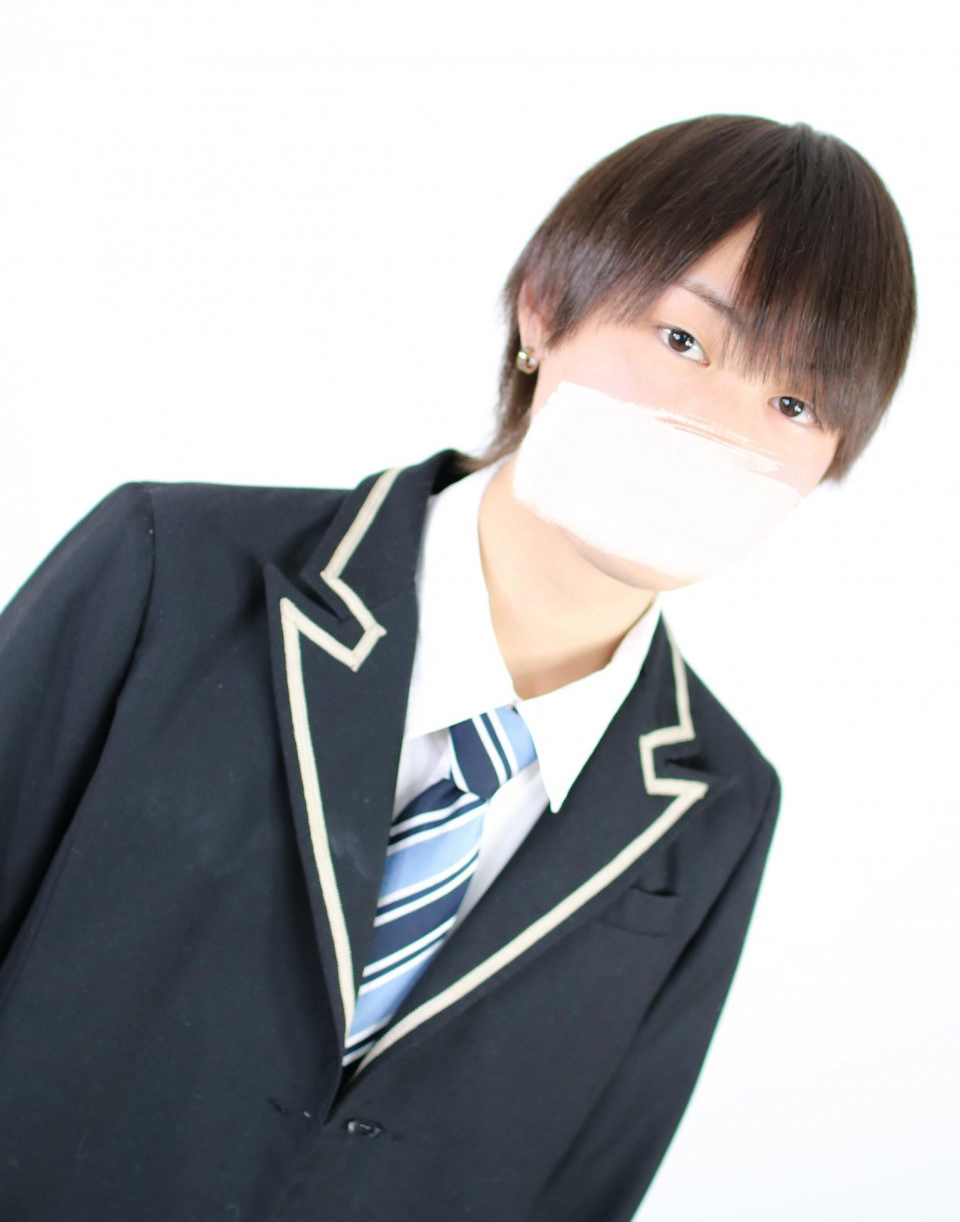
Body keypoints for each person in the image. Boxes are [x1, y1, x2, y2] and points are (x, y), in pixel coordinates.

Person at [0, 113, 916, 1221]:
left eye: (795, 403)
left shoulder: (719, 805)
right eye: (685, 339)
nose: (723, 425)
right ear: (545, 307)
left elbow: (588, 1188)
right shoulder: (170, 570)